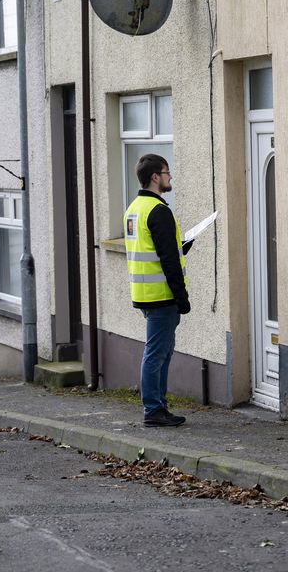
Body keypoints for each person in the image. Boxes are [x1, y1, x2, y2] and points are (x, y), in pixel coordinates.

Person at [124, 154, 192, 427]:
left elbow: (152, 250)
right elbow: (168, 260)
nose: (170, 177)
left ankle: (158, 406)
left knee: (160, 352)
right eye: (166, 172)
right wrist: (182, 297)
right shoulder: (158, 210)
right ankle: (153, 409)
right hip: (162, 295)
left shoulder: (134, 208)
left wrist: (182, 246)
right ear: (155, 177)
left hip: (144, 294)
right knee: (156, 353)